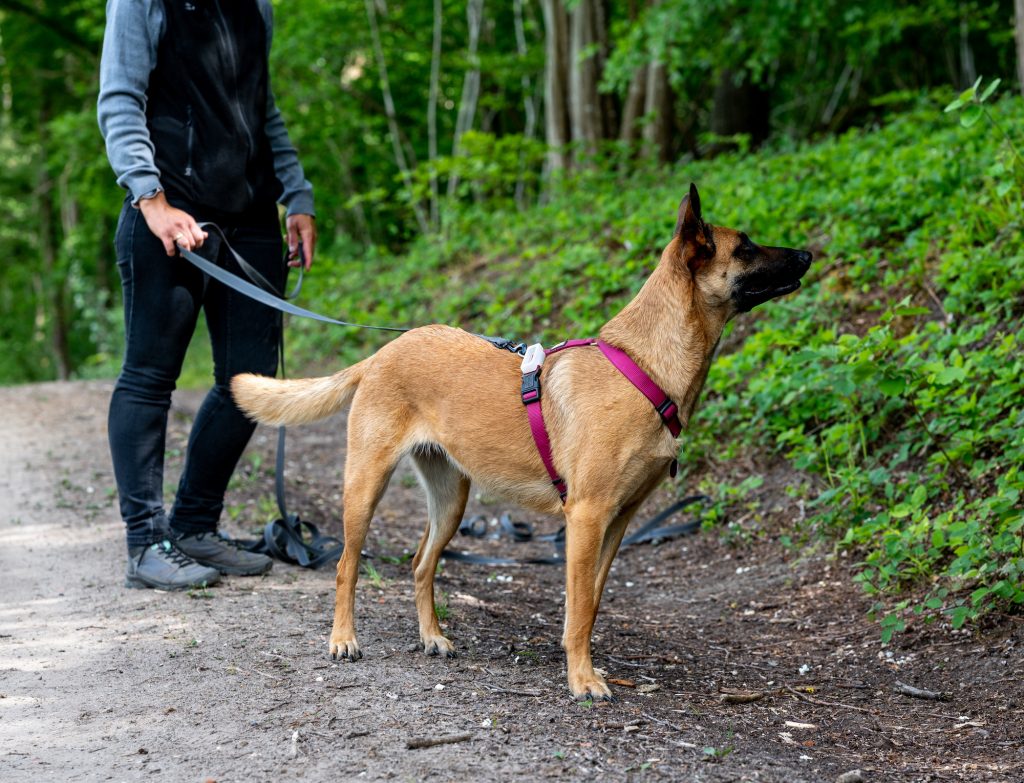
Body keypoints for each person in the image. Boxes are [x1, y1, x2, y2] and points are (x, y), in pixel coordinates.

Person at [98, 0, 317, 590]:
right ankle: (146, 542)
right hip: (168, 215)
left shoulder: (256, 7)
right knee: (149, 376)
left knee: (250, 380)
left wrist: (295, 193)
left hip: (249, 219)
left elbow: (260, 106)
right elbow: (119, 99)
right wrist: (152, 200)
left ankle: (195, 524)